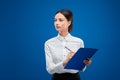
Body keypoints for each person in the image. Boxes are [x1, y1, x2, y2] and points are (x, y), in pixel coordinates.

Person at [44, 9, 92, 80]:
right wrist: (65, 62)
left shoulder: (79, 42)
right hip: (57, 78)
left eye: (60, 20)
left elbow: (81, 69)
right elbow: (50, 69)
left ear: (69, 22)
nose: (57, 23)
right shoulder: (49, 43)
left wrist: (85, 63)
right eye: (55, 20)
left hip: (74, 78)